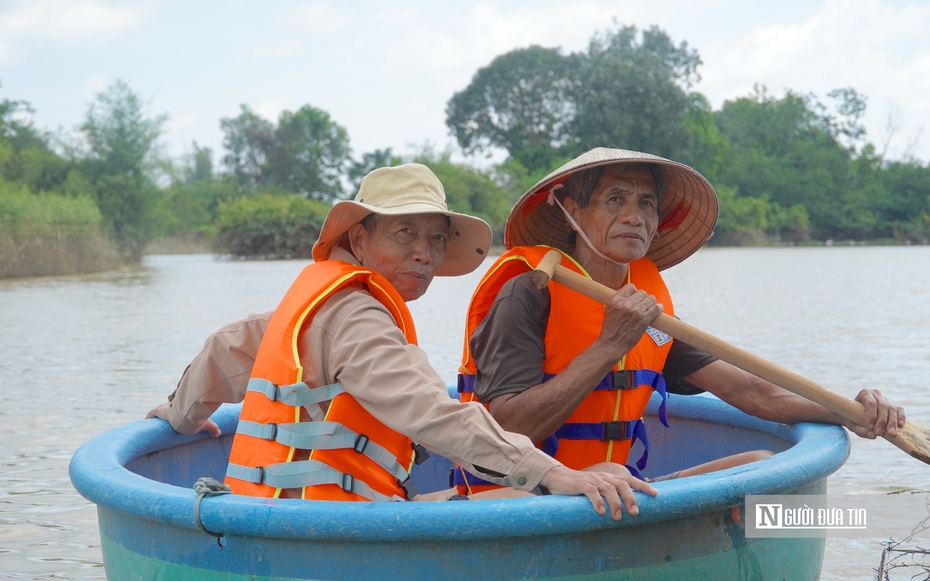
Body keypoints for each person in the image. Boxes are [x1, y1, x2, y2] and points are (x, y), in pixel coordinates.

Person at [147, 163, 654, 518]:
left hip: (280, 518)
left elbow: (224, 348)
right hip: (325, 534)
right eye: (404, 233)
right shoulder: (359, 318)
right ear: (359, 239)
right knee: (550, 494)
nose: (424, 253)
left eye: (436, 238)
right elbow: (431, 413)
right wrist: (552, 473)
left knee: (584, 476)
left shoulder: (315, 304)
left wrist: (181, 415)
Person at [454, 148, 906, 492]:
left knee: (758, 463)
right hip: (517, 496)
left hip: (610, 486)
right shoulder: (528, 293)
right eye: (615, 199)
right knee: (610, 473)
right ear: (572, 211)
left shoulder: (645, 308)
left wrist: (849, 410)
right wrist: (609, 346)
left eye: (647, 203)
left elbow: (750, 390)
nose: (635, 217)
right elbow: (509, 432)